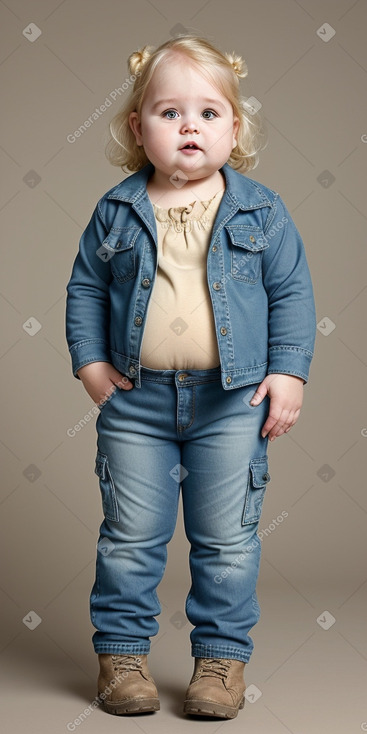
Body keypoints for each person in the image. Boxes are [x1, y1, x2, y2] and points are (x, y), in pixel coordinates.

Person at [65, 34, 316, 720]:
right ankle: (122, 658)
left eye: (208, 113)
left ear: (234, 129)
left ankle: (220, 663)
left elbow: (291, 293)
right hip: (136, 403)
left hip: (231, 402)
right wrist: (90, 363)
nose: (188, 127)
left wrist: (287, 373)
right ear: (135, 128)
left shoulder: (260, 211)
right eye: (168, 112)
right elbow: (86, 288)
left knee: (227, 538)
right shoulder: (117, 210)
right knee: (128, 535)